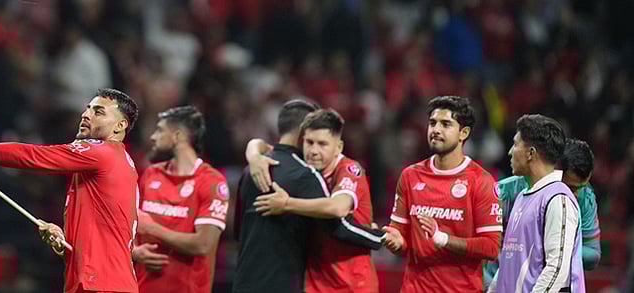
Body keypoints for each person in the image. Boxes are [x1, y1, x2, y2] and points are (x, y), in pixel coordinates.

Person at [0, 88, 140, 293]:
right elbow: (108, 238)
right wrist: (65, 242)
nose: (86, 114)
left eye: (98, 111)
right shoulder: (121, 164)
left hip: (102, 285)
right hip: (107, 281)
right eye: (88, 109)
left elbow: (34, 155)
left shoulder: (102, 153)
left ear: (120, 125)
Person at [233, 99, 383, 293]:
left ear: (338, 146)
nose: (314, 150)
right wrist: (376, 237)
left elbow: (338, 209)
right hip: (306, 283)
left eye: (322, 144)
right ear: (303, 135)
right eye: (310, 142)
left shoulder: (250, 171)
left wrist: (287, 203)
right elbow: (338, 227)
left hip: (349, 285)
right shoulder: (304, 174)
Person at [383, 95, 501, 293]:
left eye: (446, 124)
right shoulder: (410, 176)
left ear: (463, 133)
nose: (436, 130)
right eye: (432, 123)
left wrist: (443, 239)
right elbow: (401, 237)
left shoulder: (481, 181)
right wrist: (396, 242)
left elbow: (491, 248)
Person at [133, 105, 229, 293]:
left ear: (177, 136)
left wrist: (152, 228)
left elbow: (202, 244)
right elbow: (132, 228)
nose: (153, 137)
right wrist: (134, 252)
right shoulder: (151, 175)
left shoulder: (212, 181)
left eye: (160, 130)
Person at [483, 138, 601, 288]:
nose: (575, 195)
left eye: (581, 187)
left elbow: (593, 254)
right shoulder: (505, 192)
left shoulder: (585, 198)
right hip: (500, 281)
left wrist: (556, 246)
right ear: (553, 169)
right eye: (570, 188)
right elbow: (481, 248)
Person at [490, 115, 584, 293]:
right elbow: (508, 264)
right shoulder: (521, 197)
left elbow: (556, 270)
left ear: (531, 153)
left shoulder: (558, 199)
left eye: (516, 144)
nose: (510, 151)